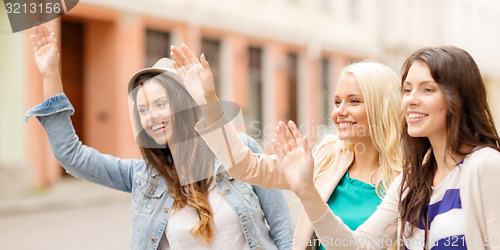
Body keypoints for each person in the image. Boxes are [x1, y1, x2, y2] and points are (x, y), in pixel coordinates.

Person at [25, 24, 293, 250]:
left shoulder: (241, 151)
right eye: (142, 110)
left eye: (160, 104)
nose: (151, 116)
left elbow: (283, 231)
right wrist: (50, 74)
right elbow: (71, 155)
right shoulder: (143, 176)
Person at [170, 44, 404, 249]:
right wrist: (207, 101)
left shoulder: (409, 178)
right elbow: (245, 167)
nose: (339, 111)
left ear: (381, 106)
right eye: (336, 102)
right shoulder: (325, 159)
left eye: (354, 101)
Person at [271, 46, 500, 249]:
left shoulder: (486, 165)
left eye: (427, 89)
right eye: (408, 90)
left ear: (458, 99)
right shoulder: (410, 181)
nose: (411, 99)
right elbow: (358, 247)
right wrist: (306, 190)